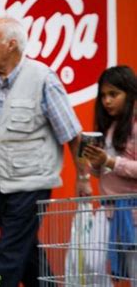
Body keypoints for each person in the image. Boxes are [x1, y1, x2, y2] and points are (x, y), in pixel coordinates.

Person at [0, 17, 88, 287]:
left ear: (11, 45)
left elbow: (72, 134)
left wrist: (83, 177)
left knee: (9, 254)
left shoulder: (43, 78)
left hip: (32, 183)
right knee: (27, 252)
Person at [82, 65, 137, 283]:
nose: (107, 101)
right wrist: (95, 163)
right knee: (93, 263)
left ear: (130, 93)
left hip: (132, 211)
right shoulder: (110, 127)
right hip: (107, 209)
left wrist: (110, 161)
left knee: (134, 268)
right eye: (103, 95)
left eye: (114, 94)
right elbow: (102, 172)